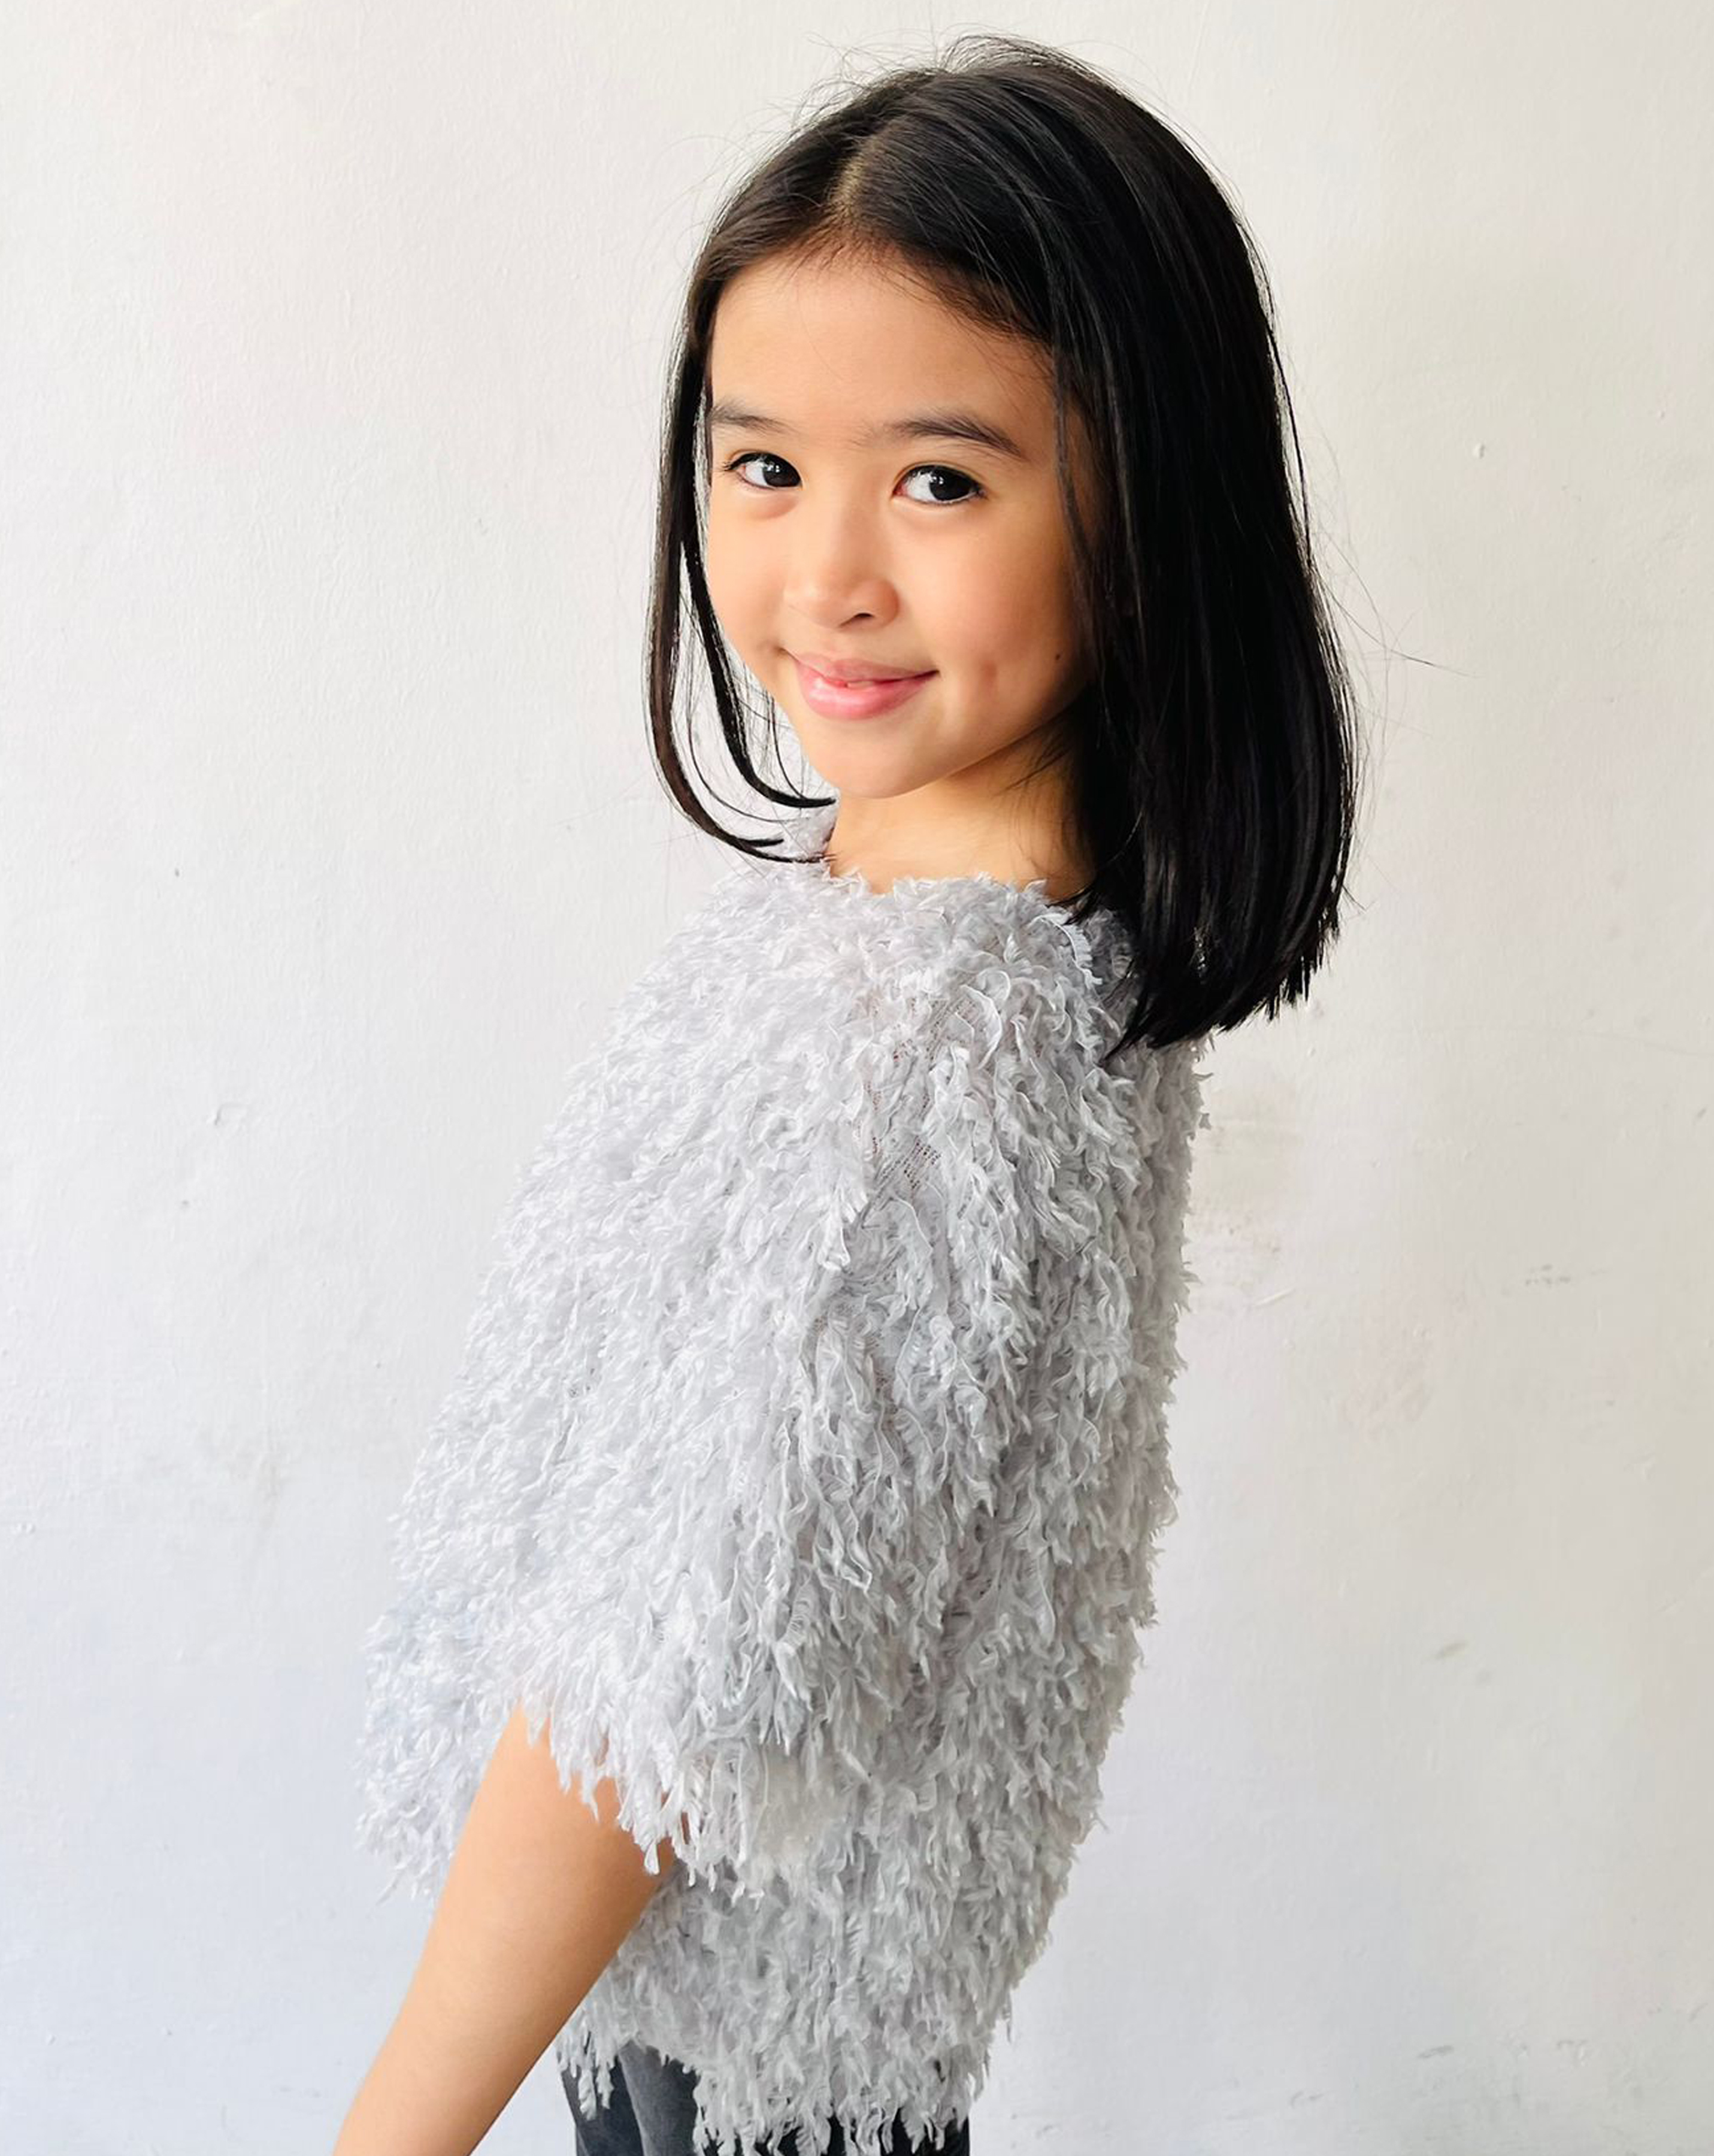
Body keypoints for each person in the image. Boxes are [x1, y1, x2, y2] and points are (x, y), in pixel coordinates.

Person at [335, 32, 1363, 2156]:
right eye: (763, 468)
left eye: (941, 480)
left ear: (1145, 502)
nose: (827, 577)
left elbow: (673, 1682)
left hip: (748, 2072)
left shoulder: (932, 1040)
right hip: (729, 2033)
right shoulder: (908, 934)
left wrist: (391, 2133)